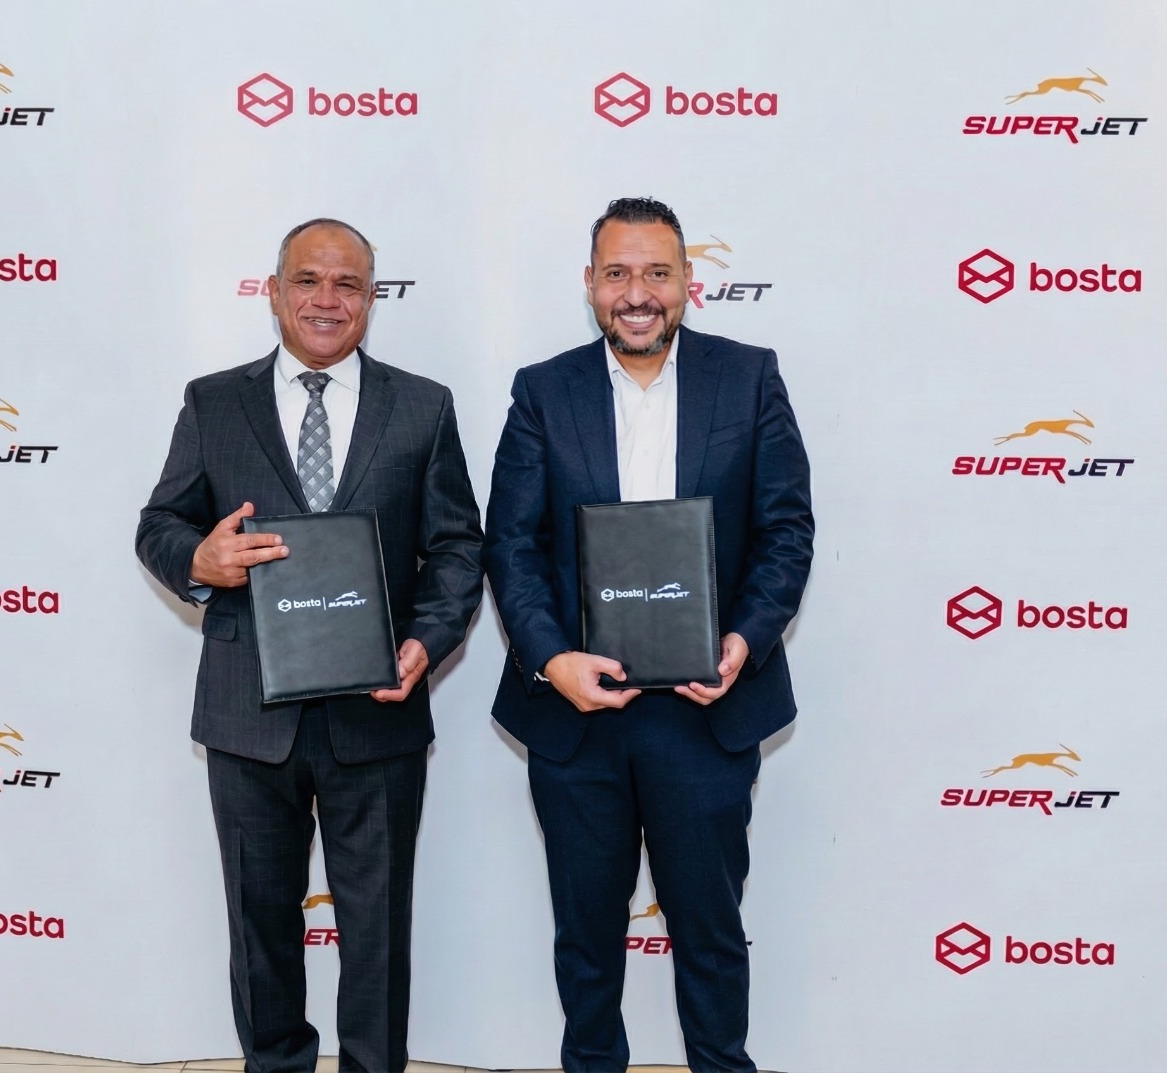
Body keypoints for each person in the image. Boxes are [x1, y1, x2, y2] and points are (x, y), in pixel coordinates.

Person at [136, 218, 483, 1073]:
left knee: (378, 932)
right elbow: (160, 524)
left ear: (372, 298)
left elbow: (457, 547)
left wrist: (426, 641)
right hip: (248, 713)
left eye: (348, 284)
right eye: (308, 280)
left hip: (378, 707)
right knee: (259, 927)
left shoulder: (424, 405)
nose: (327, 299)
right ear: (273, 291)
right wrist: (199, 560)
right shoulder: (214, 402)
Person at [483, 197, 813, 1073]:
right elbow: (511, 544)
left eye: (658, 273)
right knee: (587, 940)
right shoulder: (542, 390)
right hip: (577, 714)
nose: (638, 293)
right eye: (619, 273)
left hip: (706, 710)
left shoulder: (748, 377)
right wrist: (553, 659)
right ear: (590, 284)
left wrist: (741, 642)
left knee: (711, 933)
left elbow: (786, 531)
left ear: (689, 282)